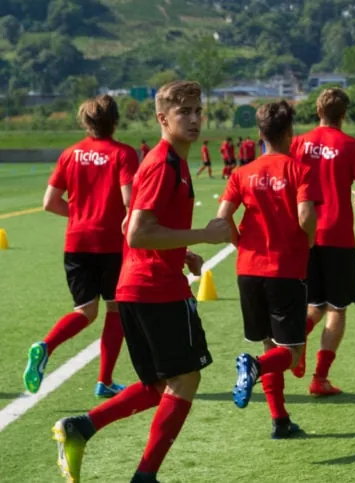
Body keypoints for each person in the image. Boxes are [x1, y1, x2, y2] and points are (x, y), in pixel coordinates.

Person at [52, 81, 231, 483]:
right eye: (183, 111)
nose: (194, 118)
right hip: (154, 288)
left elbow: (128, 221)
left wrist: (179, 251)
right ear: (162, 118)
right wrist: (203, 234)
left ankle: (81, 428)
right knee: (186, 378)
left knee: (160, 385)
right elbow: (136, 232)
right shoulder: (162, 162)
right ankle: (144, 476)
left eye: (198, 110)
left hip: (140, 283)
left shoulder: (173, 162)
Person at [217, 101, 320, 438]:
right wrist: (310, 239)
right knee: (288, 354)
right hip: (284, 269)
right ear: (289, 132)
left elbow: (222, 218)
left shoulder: (241, 173)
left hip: (248, 269)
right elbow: (305, 216)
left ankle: (280, 421)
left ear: (259, 134)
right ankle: (256, 368)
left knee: (267, 343)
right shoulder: (300, 170)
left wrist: (237, 241)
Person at [26, 95, 139, 399]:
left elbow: (49, 202)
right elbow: (130, 201)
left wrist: (78, 215)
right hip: (111, 243)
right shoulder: (124, 154)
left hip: (76, 241)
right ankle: (104, 381)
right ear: (116, 121)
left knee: (85, 310)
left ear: (85, 122)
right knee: (116, 307)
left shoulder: (70, 154)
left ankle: (46, 346)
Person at [290, 87, 355, 396]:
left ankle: (295, 342)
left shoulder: (298, 144)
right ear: (344, 114)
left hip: (304, 234)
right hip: (339, 236)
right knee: (337, 308)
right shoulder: (353, 146)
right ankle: (320, 378)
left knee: (314, 303)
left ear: (318, 112)